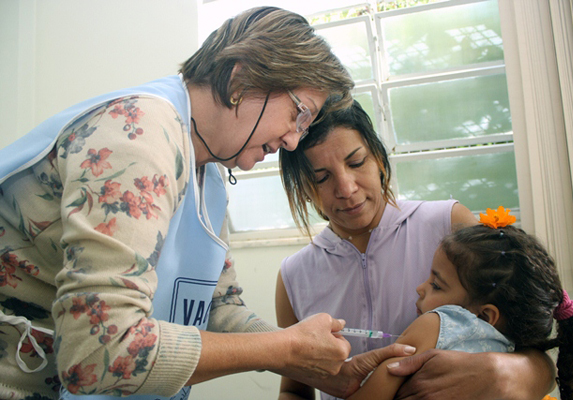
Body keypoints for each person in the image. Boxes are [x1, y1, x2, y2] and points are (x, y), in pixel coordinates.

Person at [0, 7, 414, 400]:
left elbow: (218, 305)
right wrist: (286, 349)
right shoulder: (140, 137)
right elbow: (100, 350)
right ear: (240, 82)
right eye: (298, 114)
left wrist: (314, 364)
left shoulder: (208, 173)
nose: (293, 139)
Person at [277, 100, 556, 400]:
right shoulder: (294, 276)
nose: (346, 188)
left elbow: (530, 347)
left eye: (357, 163)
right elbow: (294, 389)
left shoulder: (449, 226)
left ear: (380, 160)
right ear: (303, 189)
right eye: (321, 178)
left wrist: (506, 371)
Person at [347, 206, 573, 400]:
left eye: (436, 284)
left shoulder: (435, 325)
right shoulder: (512, 348)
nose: (420, 288)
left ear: (486, 316)